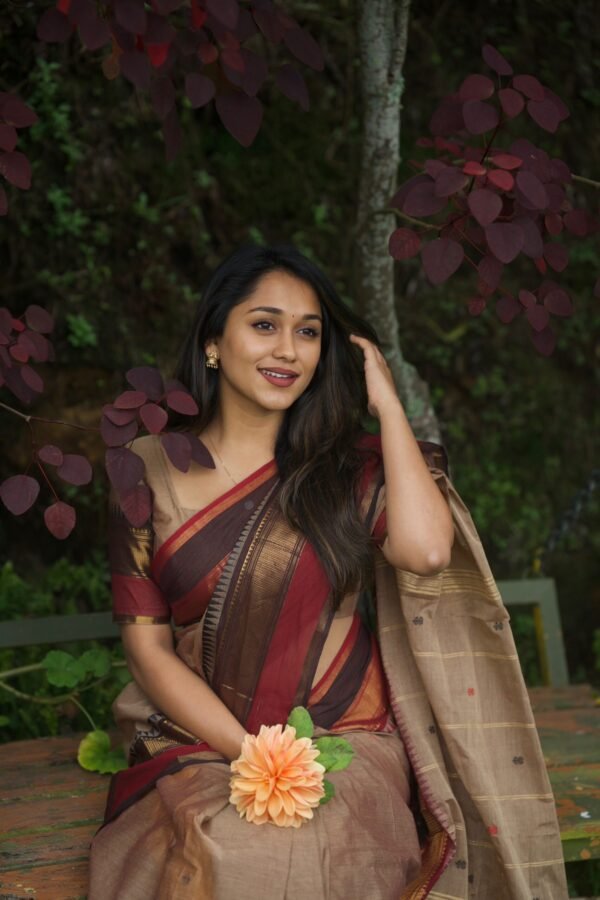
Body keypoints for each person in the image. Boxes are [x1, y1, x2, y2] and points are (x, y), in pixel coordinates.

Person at [88, 243, 567, 899]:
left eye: (308, 332)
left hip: (343, 737)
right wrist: (251, 754)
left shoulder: (347, 472)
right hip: (197, 737)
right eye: (264, 324)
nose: (287, 349)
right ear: (212, 343)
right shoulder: (143, 470)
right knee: (218, 850)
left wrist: (388, 406)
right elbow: (146, 651)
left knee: (311, 848)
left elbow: (426, 551)